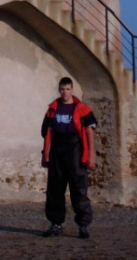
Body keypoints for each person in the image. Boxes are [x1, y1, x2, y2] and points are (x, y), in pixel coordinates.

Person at [41, 76, 97, 239]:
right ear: (59, 90)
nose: (65, 92)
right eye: (62, 89)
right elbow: (46, 133)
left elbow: (89, 131)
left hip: (75, 150)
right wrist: (44, 155)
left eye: (67, 89)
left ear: (72, 90)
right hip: (57, 150)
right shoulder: (53, 108)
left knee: (79, 190)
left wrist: (91, 155)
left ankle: (83, 225)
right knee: (54, 189)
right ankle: (56, 224)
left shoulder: (82, 108)